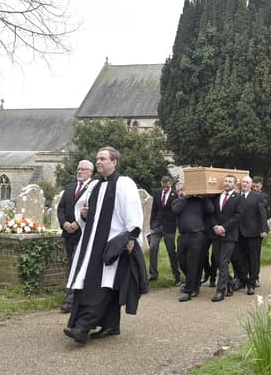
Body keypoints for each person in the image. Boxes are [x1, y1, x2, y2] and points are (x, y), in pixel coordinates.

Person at [64, 146, 145, 344]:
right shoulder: (95, 186)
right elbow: (83, 212)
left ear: (114, 162)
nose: (98, 162)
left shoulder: (124, 184)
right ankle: (110, 325)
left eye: (102, 158)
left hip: (112, 244)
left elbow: (133, 210)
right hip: (91, 244)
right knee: (97, 284)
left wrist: (132, 237)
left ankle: (83, 327)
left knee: (104, 285)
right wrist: (83, 215)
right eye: (97, 159)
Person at [57, 159, 94, 313]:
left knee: (78, 264)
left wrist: (78, 223)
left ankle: (71, 298)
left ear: (91, 172)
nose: (79, 171)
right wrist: (65, 223)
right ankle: (73, 294)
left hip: (83, 232)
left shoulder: (94, 188)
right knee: (71, 263)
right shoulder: (70, 187)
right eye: (78, 169)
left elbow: (93, 209)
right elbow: (61, 208)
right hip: (68, 233)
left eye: (83, 169)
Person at [171, 182, 214, 302]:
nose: (181, 192)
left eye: (183, 189)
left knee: (192, 263)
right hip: (183, 236)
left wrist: (203, 196)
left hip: (197, 236)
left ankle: (189, 291)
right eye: (178, 190)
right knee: (182, 262)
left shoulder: (198, 201)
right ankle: (194, 282)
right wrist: (184, 198)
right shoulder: (177, 202)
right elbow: (175, 210)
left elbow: (210, 209)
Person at [211, 174, 244, 302]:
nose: (227, 183)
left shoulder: (239, 198)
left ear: (234, 184)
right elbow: (212, 213)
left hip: (229, 235)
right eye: (225, 181)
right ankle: (230, 282)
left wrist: (224, 228)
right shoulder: (217, 196)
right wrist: (215, 226)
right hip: (216, 234)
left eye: (230, 181)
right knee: (218, 261)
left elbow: (238, 215)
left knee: (223, 262)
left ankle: (220, 291)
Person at [233, 176, 268, 295]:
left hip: (253, 233)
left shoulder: (257, 197)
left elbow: (262, 214)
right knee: (237, 257)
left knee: (253, 258)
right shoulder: (236, 196)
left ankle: (252, 283)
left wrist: (264, 229)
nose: (245, 184)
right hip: (237, 233)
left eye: (247, 182)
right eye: (243, 182)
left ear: (251, 184)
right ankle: (242, 280)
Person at [147, 175, 181, 286]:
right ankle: (153, 274)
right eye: (163, 186)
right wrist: (152, 224)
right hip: (157, 226)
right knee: (153, 248)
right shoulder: (157, 193)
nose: (165, 188)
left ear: (170, 184)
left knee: (171, 251)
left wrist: (177, 226)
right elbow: (154, 209)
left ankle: (177, 276)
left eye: (167, 186)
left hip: (169, 227)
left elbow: (177, 211)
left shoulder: (175, 195)